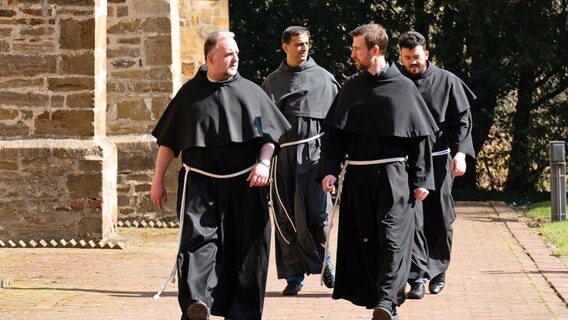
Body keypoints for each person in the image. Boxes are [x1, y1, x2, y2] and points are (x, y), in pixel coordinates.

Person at [150, 31, 290, 320]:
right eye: (229, 54)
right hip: (200, 185)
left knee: (248, 251)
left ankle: (243, 314)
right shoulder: (189, 95)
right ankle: (197, 304)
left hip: (245, 185)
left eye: (237, 53)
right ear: (210, 58)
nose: (236, 58)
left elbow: (269, 138)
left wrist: (263, 165)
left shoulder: (251, 92)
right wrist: (157, 180)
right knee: (197, 244)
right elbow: (169, 142)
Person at [321, 23, 438, 320]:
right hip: (358, 177)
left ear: (374, 50)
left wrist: (422, 177)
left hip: (394, 176)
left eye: (357, 48)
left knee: (393, 237)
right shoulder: (351, 87)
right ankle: (378, 297)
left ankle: (387, 302)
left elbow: (420, 136)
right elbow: (334, 134)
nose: (352, 54)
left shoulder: (404, 88)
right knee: (366, 238)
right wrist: (330, 170)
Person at [261, 26, 340, 296]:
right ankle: (294, 276)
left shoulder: (325, 78)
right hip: (283, 159)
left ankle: (326, 263)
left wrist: (335, 163)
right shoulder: (272, 81)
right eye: (297, 44)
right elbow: (263, 124)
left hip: (315, 157)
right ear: (285, 46)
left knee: (318, 216)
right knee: (286, 218)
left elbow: (336, 125)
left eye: (306, 43)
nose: (303, 48)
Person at [398, 31, 476, 299]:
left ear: (426, 54)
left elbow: (463, 122)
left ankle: (438, 269)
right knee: (413, 217)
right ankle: (416, 276)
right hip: (407, 162)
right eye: (407, 58)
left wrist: (461, 154)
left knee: (441, 217)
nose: (412, 63)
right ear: (400, 56)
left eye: (416, 57)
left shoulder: (447, 81)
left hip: (439, 158)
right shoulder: (396, 83)